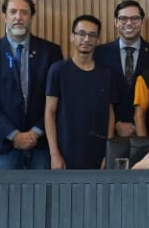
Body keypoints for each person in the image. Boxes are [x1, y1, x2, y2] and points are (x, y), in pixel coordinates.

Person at [0, 0, 64, 169]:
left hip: (41, 144)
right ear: (4, 16)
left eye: (24, 12)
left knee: (43, 196)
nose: (18, 17)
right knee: (5, 197)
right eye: (13, 12)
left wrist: (35, 132)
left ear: (31, 17)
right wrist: (14, 134)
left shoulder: (51, 52)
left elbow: (58, 98)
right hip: (4, 145)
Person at [45, 15, 123, 169]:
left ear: (98, 40)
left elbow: (110, 114)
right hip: (65, 152)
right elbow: (50, 112)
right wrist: (54, 154)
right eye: (81, 33)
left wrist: (108, 152)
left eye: (92, 35)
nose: (86, 39)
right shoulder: (58, 70)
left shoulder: (106, 74)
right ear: (72, 37)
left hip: (98, 153)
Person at [93, 0, 149, 137]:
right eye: (123, 18)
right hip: (108, 134)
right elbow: (94, 95)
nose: (129, 23)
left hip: (148, 134)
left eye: (135, 18)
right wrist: (115, 124)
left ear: (142, 22)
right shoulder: (99, 54)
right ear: (116, 22)